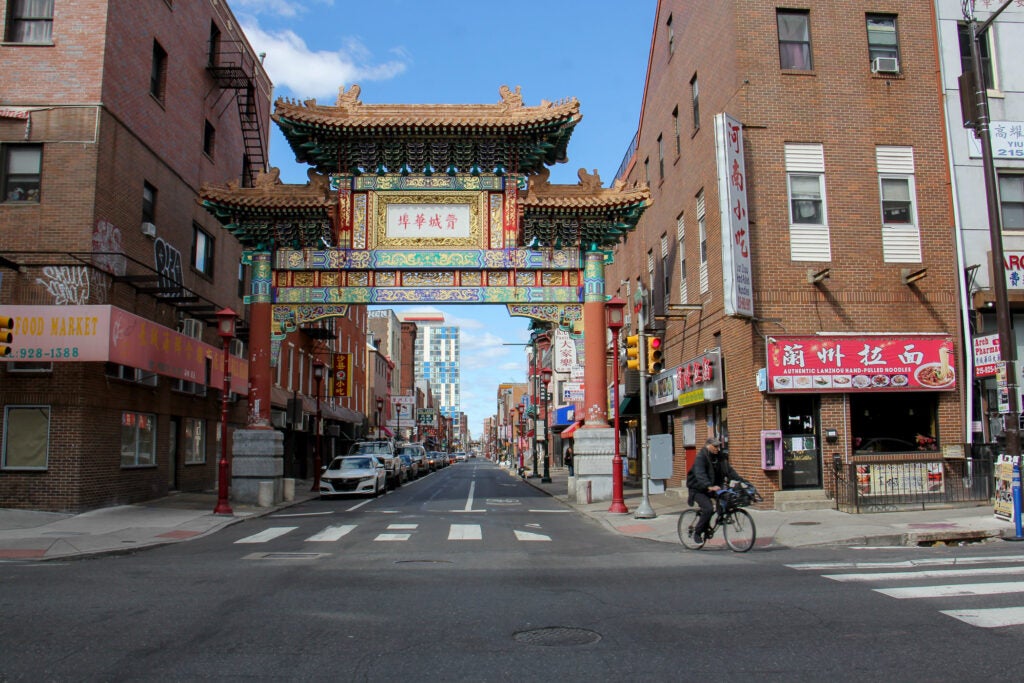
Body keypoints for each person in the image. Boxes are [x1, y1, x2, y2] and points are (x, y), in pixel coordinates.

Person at [686, 437, 747, 542]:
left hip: (714, 488)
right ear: (708, 445)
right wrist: (708, 485)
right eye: (715, 446)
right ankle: (697, 532)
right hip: (698, 489)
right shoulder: (701, 457)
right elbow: (700, 473)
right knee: (708, 509)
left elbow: (730, 471)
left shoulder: (720, 457)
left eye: (718, 446)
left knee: (728, 498)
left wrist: (743, 481)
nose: (717, 448)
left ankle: (722, 516)